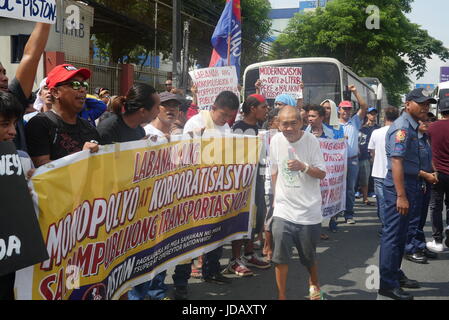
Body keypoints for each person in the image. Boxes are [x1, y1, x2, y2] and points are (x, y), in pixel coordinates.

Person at [378, 88, 436, 300]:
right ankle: (387, 283)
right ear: (408, 103)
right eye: (421, 103)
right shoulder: (402, 128)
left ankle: (395, 273)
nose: (425, 108)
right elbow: (396, 162)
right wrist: (401, 195)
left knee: (402, 235)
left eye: (428, 104)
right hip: (399, 189)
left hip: (410, 185)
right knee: (393, 237)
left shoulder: (412, 127)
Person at [267, 105, 326, 300]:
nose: (289, 128)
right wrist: (276, 199)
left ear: (301, 123)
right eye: (285, 124)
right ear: (278, 123)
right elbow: (274, 171)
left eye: (294, 123)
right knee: (280, 257)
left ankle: (314, 283)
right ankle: (281, 296)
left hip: (308, 212)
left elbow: (322, 173)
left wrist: (303, 167)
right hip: (284, 210)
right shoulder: (275, 140)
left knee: (308, 257)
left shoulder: (311, 142)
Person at [183, 91, 240, 285]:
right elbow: (184, 154)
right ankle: (189, 269)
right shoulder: (195, 123)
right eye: (223, 115)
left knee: (217, 231)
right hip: (198, 188)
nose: (226, 119)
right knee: (197, 232)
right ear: (213, 108)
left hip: (219, 188)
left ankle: (212, 270)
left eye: (230, 116)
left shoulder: (226, 127)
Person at [224, 94, 271, 277]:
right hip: (242, 182)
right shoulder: (238, 128)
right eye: (264, 107)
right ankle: (235, 259)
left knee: (256, 219)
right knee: (241, 218)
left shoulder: (260, 128)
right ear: (253, 108)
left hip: (258, 178)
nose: (267, 110)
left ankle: (249, 253)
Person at [25, 64, 100, 168]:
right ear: (55, 92)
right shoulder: (40, 123)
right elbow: (41, 169)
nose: (82, 89)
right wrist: (80, 157)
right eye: (75, 84)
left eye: (84, 85)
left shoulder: (89, 128)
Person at [0, 91, 36, 300]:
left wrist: (34, 184)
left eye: (14, 123)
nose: (13, 131)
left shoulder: (19, 159)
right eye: (5, 124)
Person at [0, 22, 51, 152]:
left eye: (4, 72)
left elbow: (32, 56)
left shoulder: (13, 99)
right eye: (4, 123)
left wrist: (44, 16)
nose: (4, 78)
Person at [404, 115, 438, 263]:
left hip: (425, 182)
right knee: (413, 218)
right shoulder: (410, 139)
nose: (427, 123)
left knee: (421, 218)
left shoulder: (425, 138)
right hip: (414, 182)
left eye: (430, 120)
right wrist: (426, 174)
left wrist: (434, 172)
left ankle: (419, 244)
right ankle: (409, 249)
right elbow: (405, 164)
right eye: (424, 120)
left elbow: (430, 159)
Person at [338, 85, 369, 224]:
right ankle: (335, 214)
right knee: (337, 188)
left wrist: (355, 92)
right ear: (339, 110)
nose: (347, 111)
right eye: (344, 109)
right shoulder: (333, 124)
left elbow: (364, 106)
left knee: (350, 189)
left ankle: (349, 214)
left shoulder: (355, 121)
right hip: (338, 162)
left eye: (349, 109)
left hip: (352, 160)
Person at [368, 107, 399, 236]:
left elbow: (372, 152)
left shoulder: (376, 132)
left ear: (385, 117)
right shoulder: (399, 132)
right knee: (394, 202)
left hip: (379, 173)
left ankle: (386, 228)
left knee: (382, 202)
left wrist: (377, 162)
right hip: (395, 173)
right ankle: (393, 227)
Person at [426, 98, 449, 253]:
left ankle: (437, 240)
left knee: (435, 207)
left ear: (440, 111)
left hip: (437, 173)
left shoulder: (432, 128)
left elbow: (427, 149)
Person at [358, 107, 380, 206]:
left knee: (373, 176)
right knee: (364, 176)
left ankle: (371, 196)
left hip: (375, 155)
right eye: (371, 113)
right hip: (364, 155)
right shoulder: (362, 128)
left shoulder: (378, 128)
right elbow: (360, 142)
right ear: (367, 115)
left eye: (375, 114)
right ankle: (363, 195)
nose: (373, 115)